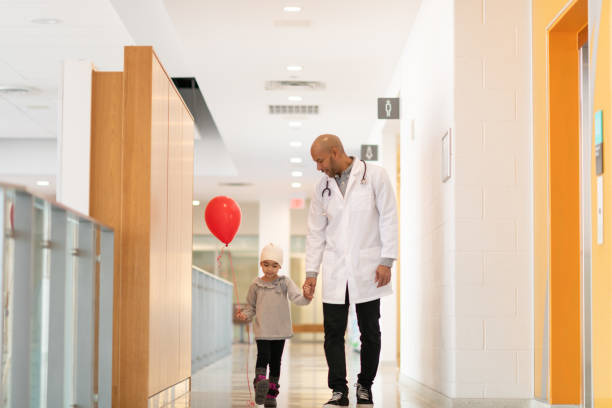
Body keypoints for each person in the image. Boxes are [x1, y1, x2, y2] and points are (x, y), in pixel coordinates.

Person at [302, 134, 398, 407]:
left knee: (370, 331)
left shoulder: (374, 176)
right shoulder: (322, 187)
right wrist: (311, 273)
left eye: (320, 160)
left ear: (335, 152)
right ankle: (338, 391)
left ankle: (365, 386)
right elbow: (315, 232)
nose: (318, 167)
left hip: (368, 267)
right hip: (335, 269)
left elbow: (389, 217)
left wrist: (387, 260)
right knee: (333, 332)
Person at [236, 243, 312, 407]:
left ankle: (271, 394)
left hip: (279, 330)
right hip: (263, 330)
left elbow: (297, 298)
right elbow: (251, 307)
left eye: (274, 265)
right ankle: (260, 383)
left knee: (276, 361)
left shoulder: (284, 282)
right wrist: (245, 314)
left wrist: (306, 296)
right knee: (263, 356)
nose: (270, 269)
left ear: (280, 266)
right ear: (261, 264)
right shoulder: (256, 285)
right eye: (266, 264)